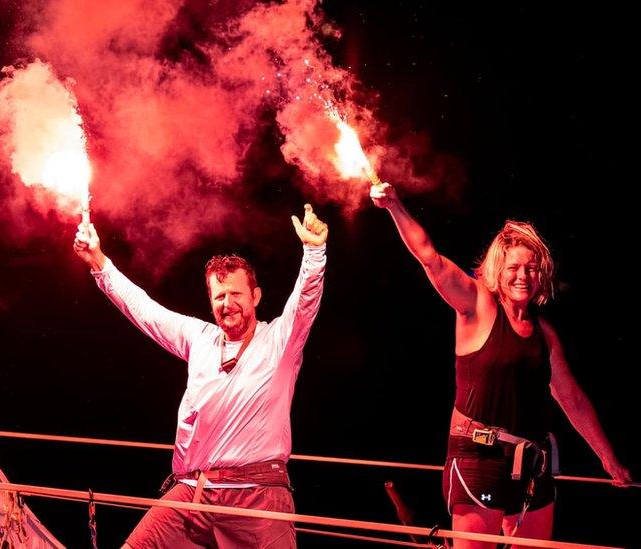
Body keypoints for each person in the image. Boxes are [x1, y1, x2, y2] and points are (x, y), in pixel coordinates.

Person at [370, 182, 632, 548]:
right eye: (514, 267)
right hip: (480, 462)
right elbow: (429, 256)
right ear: (498, 269)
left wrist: (609, 458)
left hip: (532, 467)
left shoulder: (545, 333)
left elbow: (571, 397)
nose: (523, 275)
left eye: (531, 267)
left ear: (541, 274)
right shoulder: (476, 305)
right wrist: (394, 204)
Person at [73, 204, 328, 548]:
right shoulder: (200, 338)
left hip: (257, 498)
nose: (228, 303)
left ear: (256, 296)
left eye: (236, 294)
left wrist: (313, 251)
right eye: (219, 296)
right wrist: (99, 262)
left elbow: (305, 300)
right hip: (193, 493)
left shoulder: (280, 340)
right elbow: (146, 310)